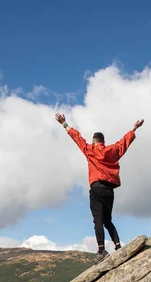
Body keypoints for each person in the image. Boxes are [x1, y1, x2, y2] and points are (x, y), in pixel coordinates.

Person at [55, 112, 144, 264]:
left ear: (94, 141)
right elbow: (124, 143)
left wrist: (64, 123)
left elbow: (77, 138)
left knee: (98, 221)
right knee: (108, 220)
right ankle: (117, 246)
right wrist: (134, 129)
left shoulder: (90, 150)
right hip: (109, 191)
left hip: (96, 188)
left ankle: (102, 250)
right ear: (103, 141)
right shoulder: (112, 150)